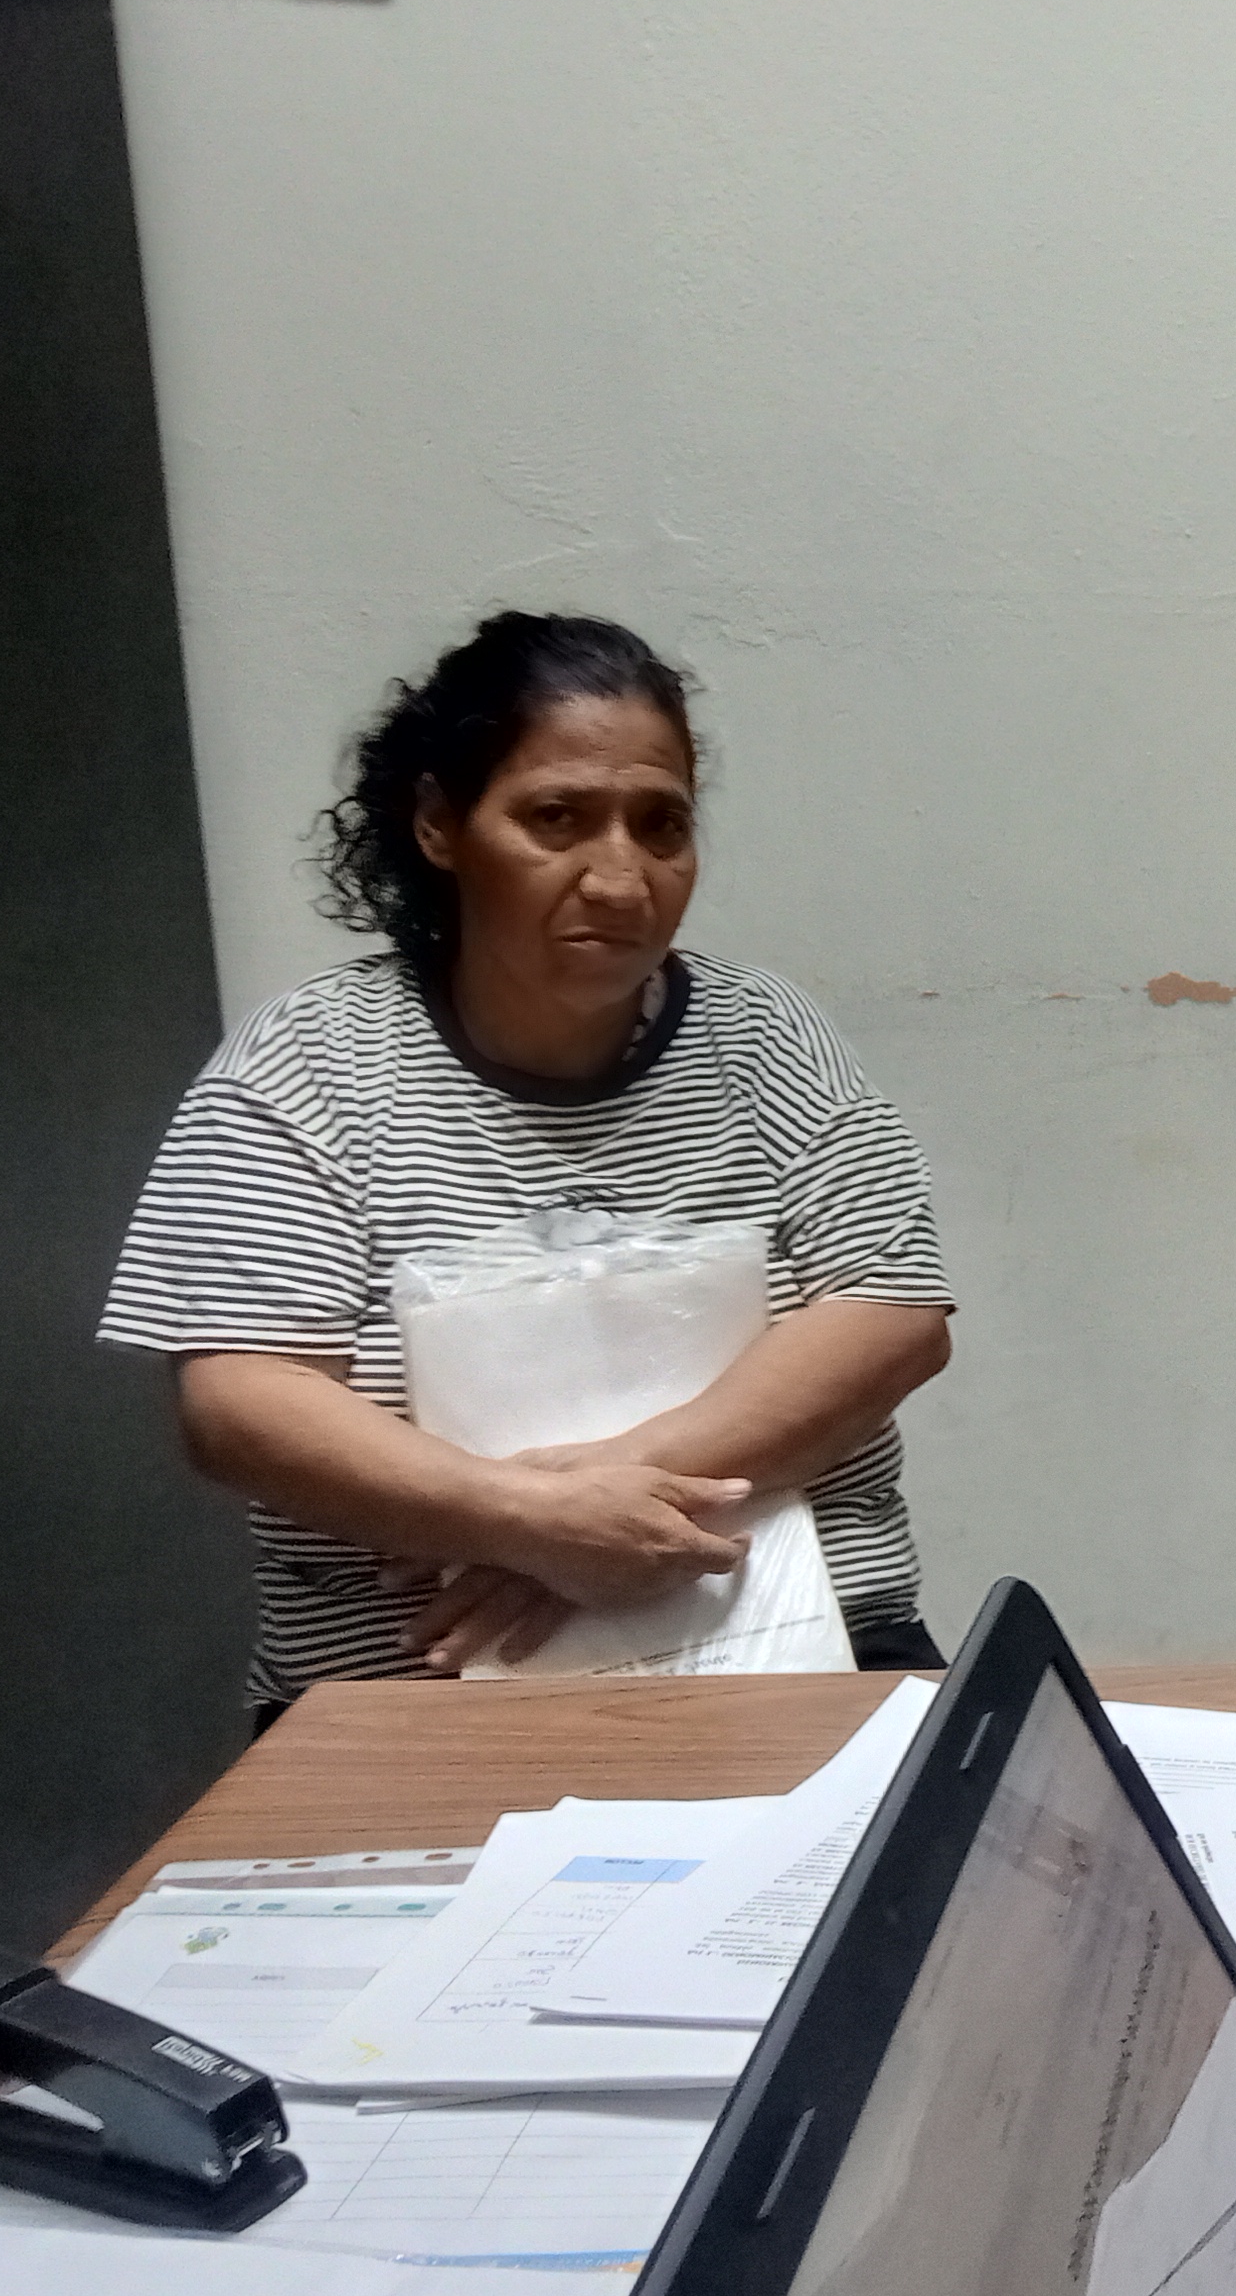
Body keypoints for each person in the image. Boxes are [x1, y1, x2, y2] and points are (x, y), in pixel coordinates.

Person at [104, 612, 956, 1721]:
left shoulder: (765, 1035)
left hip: (806, 1657)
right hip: (412, 1698)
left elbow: (893, 1316)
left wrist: (595, 1515)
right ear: (439, 824)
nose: (622, 878)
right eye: (558, 818)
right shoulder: (305, 1065)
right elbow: (242, 1404)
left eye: (662, 825)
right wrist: (527, 1524)